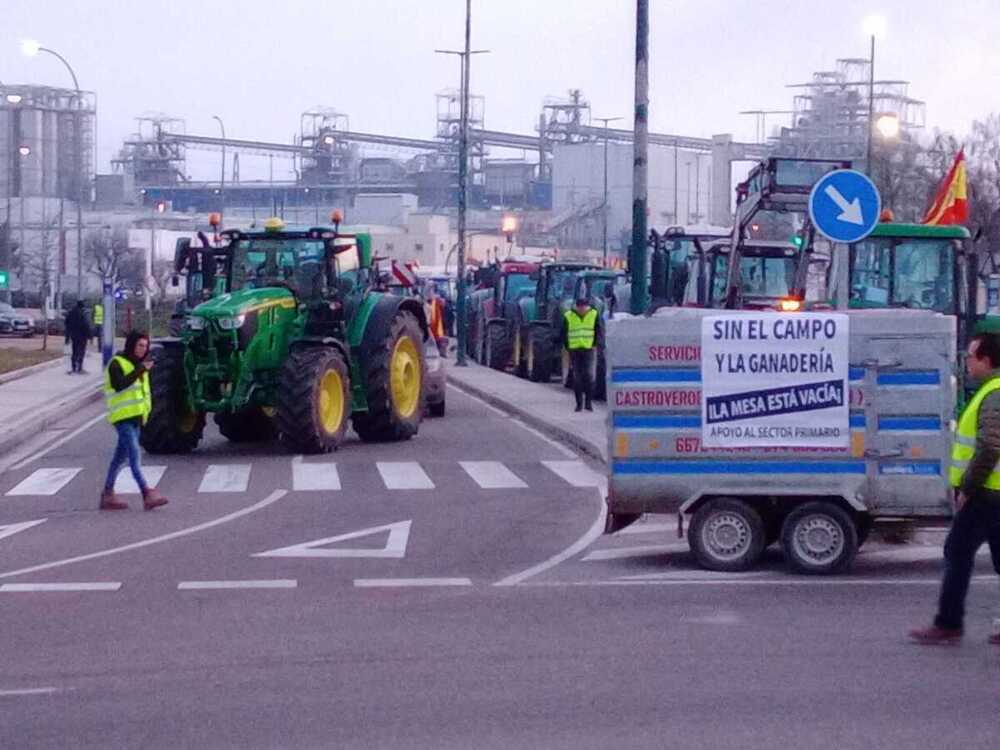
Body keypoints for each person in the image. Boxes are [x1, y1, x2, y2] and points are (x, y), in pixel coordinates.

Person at [910, 332, 1000, 645]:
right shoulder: (991, 391)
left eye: (971, 358)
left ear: (987, 361)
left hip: (987, 494)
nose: (967, 364)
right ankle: (948, 623)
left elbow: (990, 446)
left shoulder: (994, 393)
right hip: (991, 493)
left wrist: (967, 487)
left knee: (957, 552)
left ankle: (948, 624)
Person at [99, 331, 168, 512]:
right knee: (134, 456)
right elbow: (120, 384)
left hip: (136, 419)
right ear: (131, 345)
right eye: (139, 345)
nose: (142, 350)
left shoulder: (139, 366)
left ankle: (107, 494)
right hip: (122, 418)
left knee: (119, 457)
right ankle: (147, 493)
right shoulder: (117, 363)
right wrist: (140, 370)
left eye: (145, 346)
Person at [558, 295, 604, 412]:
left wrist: (596, 344)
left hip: (589, 349)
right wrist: (568, 346)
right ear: (576, 307)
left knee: (589, 376)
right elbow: (563, 333)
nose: (582, 309)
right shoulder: (569, 316)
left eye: (584, 307)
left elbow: (599, 330)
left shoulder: (593, 314)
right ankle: (579, 404)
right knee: (577, 378)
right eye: (580, 307)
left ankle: (588, 403)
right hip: (574, 350)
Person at [64, 301, 91, 374]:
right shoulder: (83, 314)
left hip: (74, 335)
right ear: (82, 307)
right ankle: (79, 368)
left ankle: (73, 367)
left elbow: (67, 324)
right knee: (81, 352)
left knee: (75, 351)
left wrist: (67, 337)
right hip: (82, 336)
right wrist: (90, 335)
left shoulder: (71, 313)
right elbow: (86, 325)